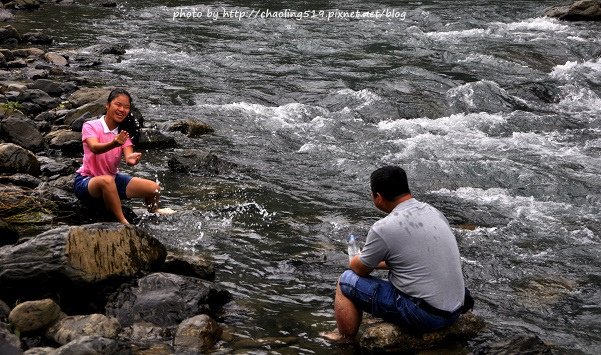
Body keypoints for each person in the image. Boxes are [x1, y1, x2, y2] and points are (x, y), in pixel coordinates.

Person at [325, 166, 473, 340]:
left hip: (427, 316)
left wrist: (357, 258)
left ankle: (344, 340)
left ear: (378, 197)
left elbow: (359, 269)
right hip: (455, 309)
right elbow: (410, 259)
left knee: (345, 281)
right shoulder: (434, 212)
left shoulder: (384, 227)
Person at [73, 88, 174, 224]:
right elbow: (94, 148)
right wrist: (114, 143)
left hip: (113, 180)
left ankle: (154, 212)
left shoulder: (123, 133)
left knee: (154, 188)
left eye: (126, 107)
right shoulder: (90, 126)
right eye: (118, 104)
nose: (122, 109)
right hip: (87, 182)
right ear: (108, 105)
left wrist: (132, 160)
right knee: (106, 181)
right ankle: (123, 222)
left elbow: (129, 156)